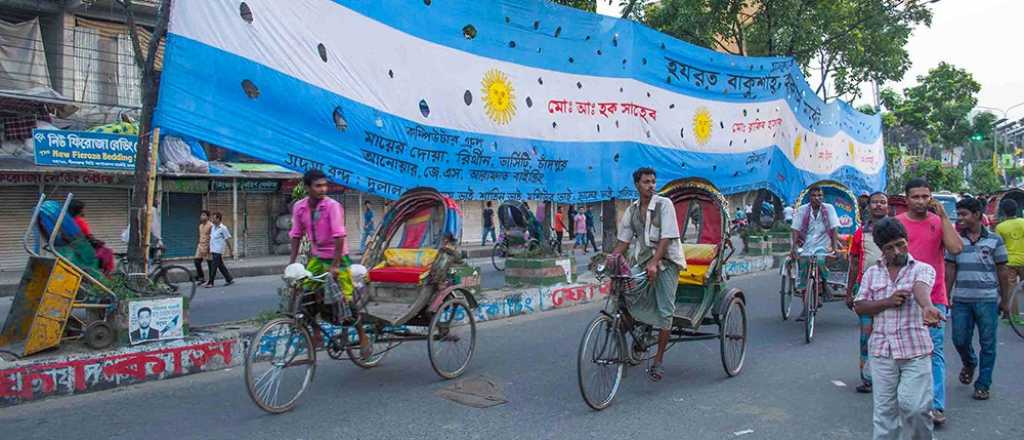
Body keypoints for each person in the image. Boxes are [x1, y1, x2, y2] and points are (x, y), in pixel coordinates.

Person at [853, 217, 945, 440]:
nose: (897, 251)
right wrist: (887, 301)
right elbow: (860, 306)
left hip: (915, 352)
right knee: (884, 414)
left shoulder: (922, 269)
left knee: (914, 408)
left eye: (901, 244)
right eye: (890, 248)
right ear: (881, 250)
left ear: (907, 241)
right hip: (882, 352)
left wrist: (928, 307)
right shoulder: (872, 273)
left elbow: (920, 288)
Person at [609, 167, 687, 382]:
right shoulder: (632, 211)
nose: (651, 185)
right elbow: (623, 241)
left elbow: (667, 237)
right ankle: (639, 326)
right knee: (625, 289)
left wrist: (654, 263)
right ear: (637, 184)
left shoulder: (664, 205)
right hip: (643, 262)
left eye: (653, 181)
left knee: (665, 311)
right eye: (646, 182)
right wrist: (610, 259)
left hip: (667, 264)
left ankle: (658, 361)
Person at [896, 177, 962, 425]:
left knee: (934, 352)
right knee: (902, 352)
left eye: (926, 196)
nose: (921, 201)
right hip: (902, 298)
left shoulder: (938, 223)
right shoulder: (898, 224)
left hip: (935, 298)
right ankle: (906, 402)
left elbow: (955, 249)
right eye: (916, 196)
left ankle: (936, 406)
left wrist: (944, 218)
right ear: (907, 199)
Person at [289, 169, 369, 358]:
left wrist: (334, 265)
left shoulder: (332, 206)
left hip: (338, 258)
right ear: (307, 187)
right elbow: (296, 235)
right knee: (306, 294)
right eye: (318, 186)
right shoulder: (299, 207)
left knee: (344, 301)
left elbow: (339, 236)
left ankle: (362, 336)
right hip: (317, 259)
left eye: (325, 185)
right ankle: (316, 333)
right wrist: (291, 263)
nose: (323, 189)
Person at [945, 197, 1010, 401]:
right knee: (959, 339)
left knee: (988, 343)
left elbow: (1002, 270)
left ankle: (983, 384)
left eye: (964, 214)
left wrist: (1005, 300)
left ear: (977, 216)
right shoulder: (955, 240)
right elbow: (950, 269)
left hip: (987, 300)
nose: (960, 218)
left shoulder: (994, 240)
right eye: (959, 214)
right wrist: (946, 296)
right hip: (962, 300)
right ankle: (970, 362)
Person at [847, 192, 889, 394]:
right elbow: (854, 264)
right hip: (865, 291)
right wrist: (849, 292)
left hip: (892, 291)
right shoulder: (860, 234)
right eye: (875, 202)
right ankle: (867, 378)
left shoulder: (896, 231)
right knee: (866, 337)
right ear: (869, 206)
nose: (879, 205)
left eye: (883, 202)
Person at [791, 185, 844, 320]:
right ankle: (805, 306)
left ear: (823, 197)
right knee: (803, 269)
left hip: (823, 244)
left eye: (819, 195)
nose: (817, 198)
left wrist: (834, 247)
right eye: (814, 196)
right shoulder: (802, 210)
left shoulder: (829, 209)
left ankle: (824, 283)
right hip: (806, 244)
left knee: (820, 260)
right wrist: (794, 248)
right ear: (810, 197)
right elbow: (796, 229)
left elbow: (834, 227)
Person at [995, 199, 1024, 325]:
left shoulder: (1000, 227)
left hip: (1008, 262)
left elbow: (998, 247)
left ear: (1004, 212)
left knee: (1011, 291)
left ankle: (1014, 317)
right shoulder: (1023, 223)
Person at [68, 199, 115, 274]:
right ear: (79, 210)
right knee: (108, 252)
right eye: (82, 209)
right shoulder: (80, 221)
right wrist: (99, 242)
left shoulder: (69, 221)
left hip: (74, 247)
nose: (83, 211)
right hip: (83, 249)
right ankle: (105, 276)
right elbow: (89, 237)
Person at [205, 212, 234, 287]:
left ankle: (211, 282)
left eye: (214, 218)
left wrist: (231, 251)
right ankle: (229, 279)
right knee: (220, 265)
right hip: (213, 249)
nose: (212, 220)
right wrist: (208, 248)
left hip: (218, 250)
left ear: (218, 219)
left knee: (213, 266)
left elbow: (227, 239)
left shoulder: (223, 228)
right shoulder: (213, 227)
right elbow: (212, 238)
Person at [194, 210, 212, 284]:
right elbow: (200, 236)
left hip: (208, 246)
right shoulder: (200, 226)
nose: (202, 216)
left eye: (204, 215)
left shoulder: (211, 225)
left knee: (210, 263)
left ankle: (211, 280)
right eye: (201, 215)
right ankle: (201, 277)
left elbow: (212, 237)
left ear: (208, 217)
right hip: (200, 245)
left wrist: (209, 247)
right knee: (196, 261)